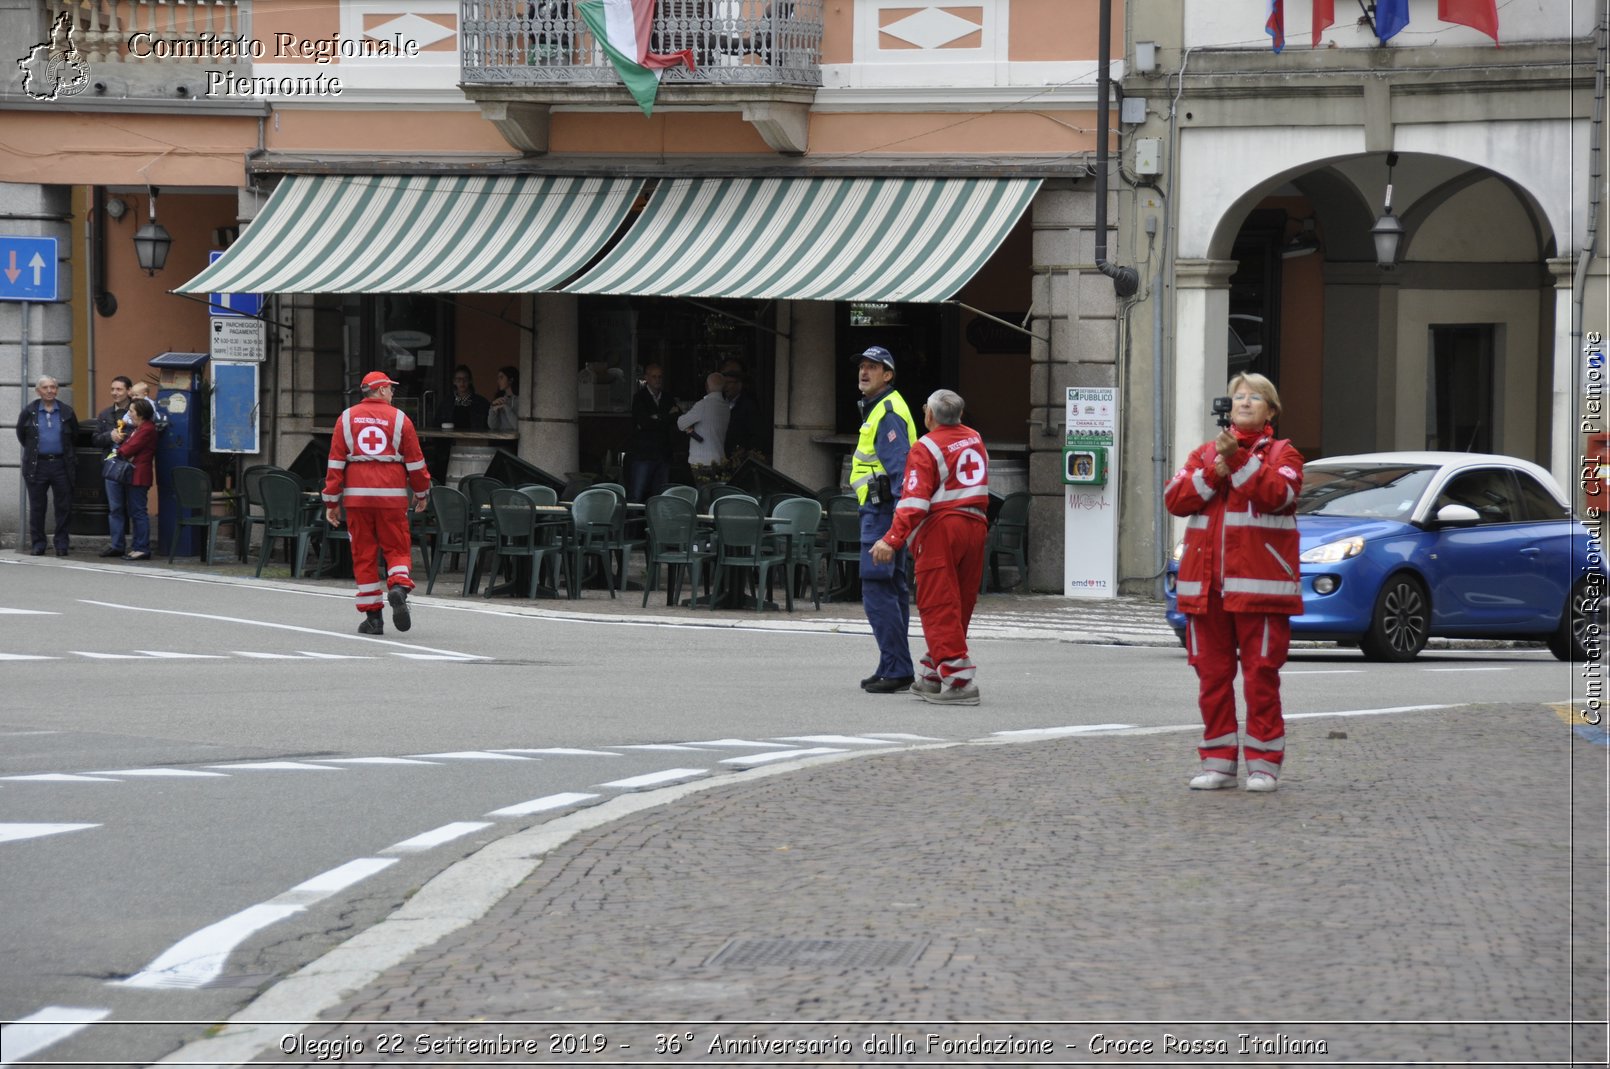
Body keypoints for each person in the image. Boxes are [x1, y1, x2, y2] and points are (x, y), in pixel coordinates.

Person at [1164, 371, 1304, 793]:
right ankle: (1219, 762)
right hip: (1206, 590)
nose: (1243, 402)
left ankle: (1264, 765)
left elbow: (1279, 496)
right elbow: (1175, 499)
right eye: (1237, 396)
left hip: (1260, 589)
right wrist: (1216, 467)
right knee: (1211, 678)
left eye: (1254, 397)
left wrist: (1240, 462)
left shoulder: (1284, 453)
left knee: (1261, 677)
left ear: (1271, 410)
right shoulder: (1205, 453)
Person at [870, 389, 990, 705]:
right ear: (960, 415)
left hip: (942, 529)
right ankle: (933, 673)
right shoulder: (975, 438)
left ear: (929, 416)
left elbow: (914, 501)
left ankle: (960, 682)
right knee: (960, 603)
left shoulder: (926, 446)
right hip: (976, 524)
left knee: (938, 604)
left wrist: (891, 539)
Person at [324, 371, 432, 635]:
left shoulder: (346, 418)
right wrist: (421, 492)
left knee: (363, 554)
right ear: (381, 389)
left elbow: (336, 463)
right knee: (396, 547)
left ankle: (373, 619)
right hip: (391, 495)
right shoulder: (400, 420)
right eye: (391, 389)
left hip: (357, 497)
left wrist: (331, 501)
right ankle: (398, 588)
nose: (393, 393)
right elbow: (416, 463)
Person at [850, 346, 918, 693]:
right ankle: (892, 663)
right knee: (891, 589)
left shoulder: (887, 412)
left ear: (888, 375)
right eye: (862, 366)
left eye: (873, 367)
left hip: (882, 515)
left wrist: (894, 530)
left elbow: (900, 473)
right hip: (885, 513)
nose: (864, 372)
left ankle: (897, 666)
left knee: (878, 590)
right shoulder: (879, 408)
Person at [15, 375, 80, 557]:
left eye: (53, 387)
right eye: (46, 388)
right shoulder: (29, 412)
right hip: (37, 465)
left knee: (63, 507)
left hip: (61, 464)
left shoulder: (66, 411)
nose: (50, 390)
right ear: (38, 391)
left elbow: (74, 435)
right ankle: (38, 544)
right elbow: (22, 435)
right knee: (37, 507)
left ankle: (61, 544)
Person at [113, 398, 159, 560]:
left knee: (139, 512)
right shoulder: (139, 428)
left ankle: (142, 547)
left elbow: (128, 448)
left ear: (140, 413)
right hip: (134, 474)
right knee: (135, 511)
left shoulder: (146, 429)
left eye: (131, 411)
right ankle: (137, 546)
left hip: (139, 475)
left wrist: (120, 449)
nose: (129, 414)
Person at [93, 375, 134, 557]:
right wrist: (110, 436)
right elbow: (95, 439)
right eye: (112, 389)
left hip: (132, 465)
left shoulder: (137, 410)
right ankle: (117, 545)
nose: (115, 393)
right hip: (112, 466)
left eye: (119, 389)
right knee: (115, 507)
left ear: (129, 391)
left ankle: (139, 545)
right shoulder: (104, 414)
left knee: (135, 508)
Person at [626, 363, 678, 502]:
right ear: (646, 378)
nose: (657, 380)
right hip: (644, 453)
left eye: (660, 377)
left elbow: (677, 417)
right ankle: (632, 524)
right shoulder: (639, 397)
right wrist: (666, 417)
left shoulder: (667, 397)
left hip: (663, 453)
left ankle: (657, 523)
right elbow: (644, 422)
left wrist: (657, 417)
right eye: (654, 376)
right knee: (636, 494)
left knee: (661, 496)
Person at [677, 371, 731, 468]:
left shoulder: (702, 405)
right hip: (720, 458)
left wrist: (689, 428)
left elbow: (681, 423)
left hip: (701, 460)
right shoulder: (726, 407)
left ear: (707, 386)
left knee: (703, 483)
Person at [434, 364, 490, 430]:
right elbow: (437, 424)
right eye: (458, 379)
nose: (462, 382)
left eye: (465, 379)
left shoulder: (481, 403)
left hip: (473, 439)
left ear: (470, 381)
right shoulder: (446, 403)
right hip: (450, 439)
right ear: (454, 381)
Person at [723, 369, 761, 457]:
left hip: (738, 457)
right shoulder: (720, 403)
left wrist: (745, 450)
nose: (725, 386)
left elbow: (757, 433)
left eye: (728, 383)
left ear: (739, 385)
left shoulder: (748, 405)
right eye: (723, 383)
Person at [487, 365, 519, 433]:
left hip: (515, 440)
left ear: (511, 380)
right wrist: (493, 409)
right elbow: (492, 426)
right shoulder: (499, 399)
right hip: (499, 438)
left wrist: (506, 407)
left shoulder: (520, 400)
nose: (498, 381)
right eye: (498, 378)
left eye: (501, 377)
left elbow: (517, 426)